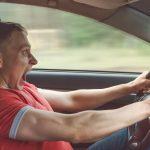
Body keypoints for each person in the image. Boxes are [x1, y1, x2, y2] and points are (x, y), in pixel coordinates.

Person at [0, 21, 150, 150]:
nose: (34, 60)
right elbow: (76, 128)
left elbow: (72, 100)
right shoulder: (3, 104)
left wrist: (131, 86)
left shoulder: (21, 87)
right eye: (25, 52)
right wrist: (146, 107)